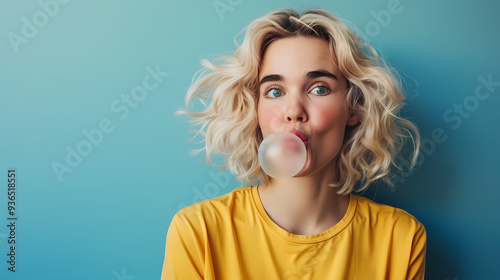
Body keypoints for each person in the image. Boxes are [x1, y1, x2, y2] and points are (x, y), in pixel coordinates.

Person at [161, 7, 426, 280]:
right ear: (255, 109)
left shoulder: (400, 239)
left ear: (354, 108)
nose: (293, 111)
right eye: (274, 91)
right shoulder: (198, 232)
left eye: (319, 88)